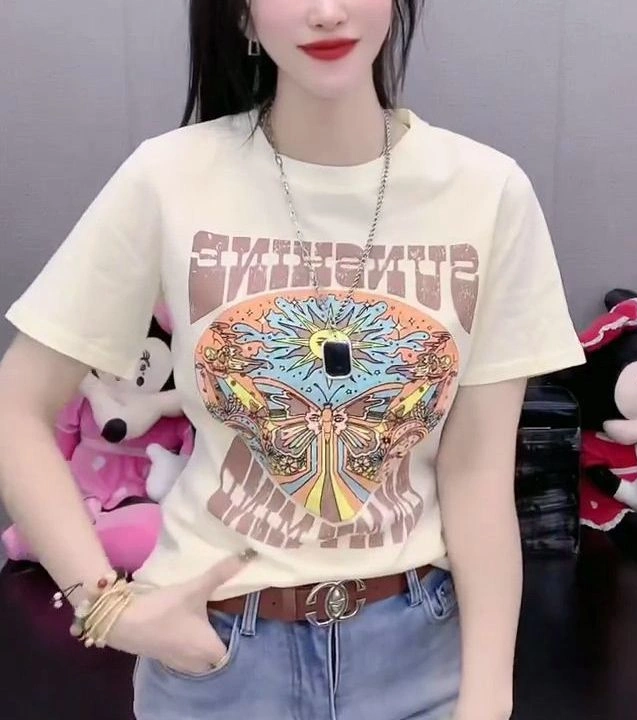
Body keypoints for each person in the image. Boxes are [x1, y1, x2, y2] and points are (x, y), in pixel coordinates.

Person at [0, 1, 586, 719]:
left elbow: (478, 473)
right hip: (216, 662)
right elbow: (17, 406)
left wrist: (488, 699)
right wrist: (107, 609)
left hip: (420, 659)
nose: (326, 12)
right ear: (242, 16)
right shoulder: (169, 177)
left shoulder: (486, 193)